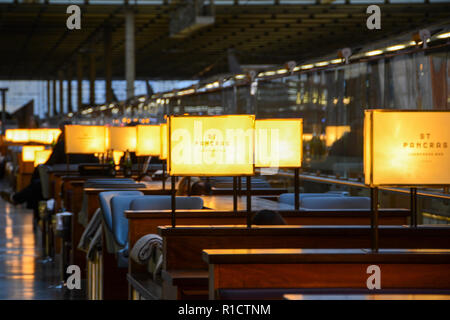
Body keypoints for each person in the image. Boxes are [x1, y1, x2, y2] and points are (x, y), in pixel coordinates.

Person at [0, 121, 98, 224]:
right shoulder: (88, 144)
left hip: (61, 181)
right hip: (83, 181)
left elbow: (49, 163)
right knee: (37, 184)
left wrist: (40, 166)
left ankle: (18, 200)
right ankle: (18, 199)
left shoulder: (62, 144)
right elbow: (96, 163)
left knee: (37, 183)